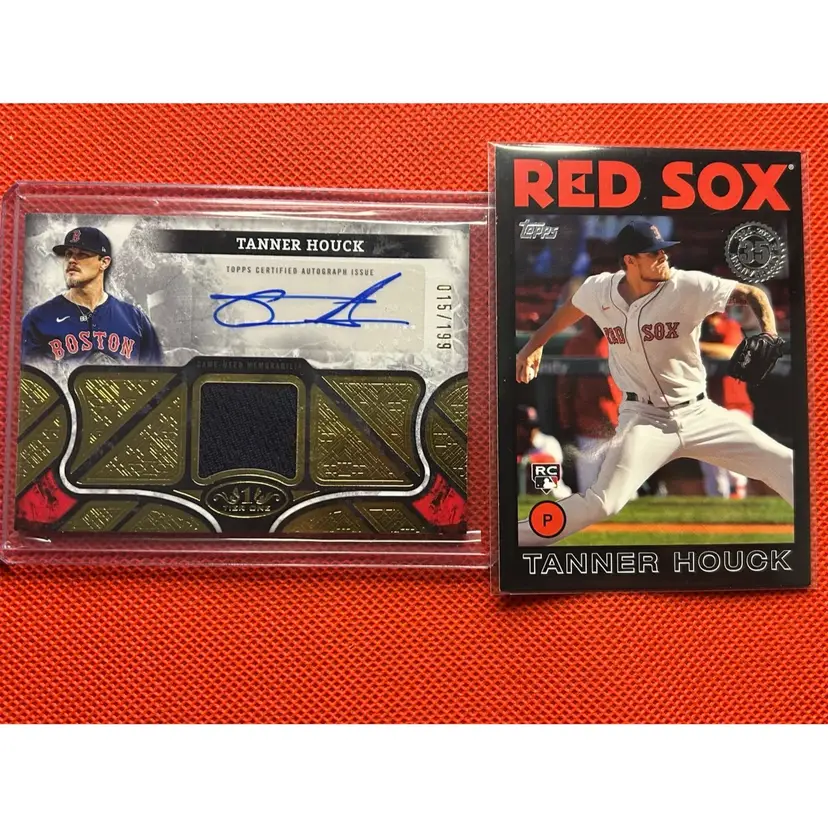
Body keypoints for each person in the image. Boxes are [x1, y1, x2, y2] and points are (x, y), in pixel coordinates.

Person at [515, 220, 793, 546]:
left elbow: (751, 293)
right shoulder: (599, 290)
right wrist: (534, 344)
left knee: (786, 465)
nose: (663, 256)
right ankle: (516, 537)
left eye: (663, 250)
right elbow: (568, 311)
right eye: (653, 253)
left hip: (699, 414)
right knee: (603, 502)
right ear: (630, 260)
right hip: (643, 419)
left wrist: (769, 333)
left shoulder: (686, 285)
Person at [22, 226, 162, 366]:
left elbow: (155, 375)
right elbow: (25, 376)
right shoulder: (37, 319)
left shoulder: (136, 320)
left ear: (104, 262)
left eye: (82, 254)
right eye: (68, 254)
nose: (71, 260)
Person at [556, 318, 623, 493]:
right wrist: (566, 422)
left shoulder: (622, 340)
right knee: (589, 488)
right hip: (588, 428)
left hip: (619, 425)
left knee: (623, 490)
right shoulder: (577, 344)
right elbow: (565, 387)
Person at [698, 310, 756, 498]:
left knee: (733, 459)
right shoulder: (697, 329)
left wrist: (697, 346)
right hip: (708, 407)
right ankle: (716, 504)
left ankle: (737, 497)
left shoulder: (729, 325)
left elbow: (731, 352)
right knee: (709, 461)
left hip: (735, 406)